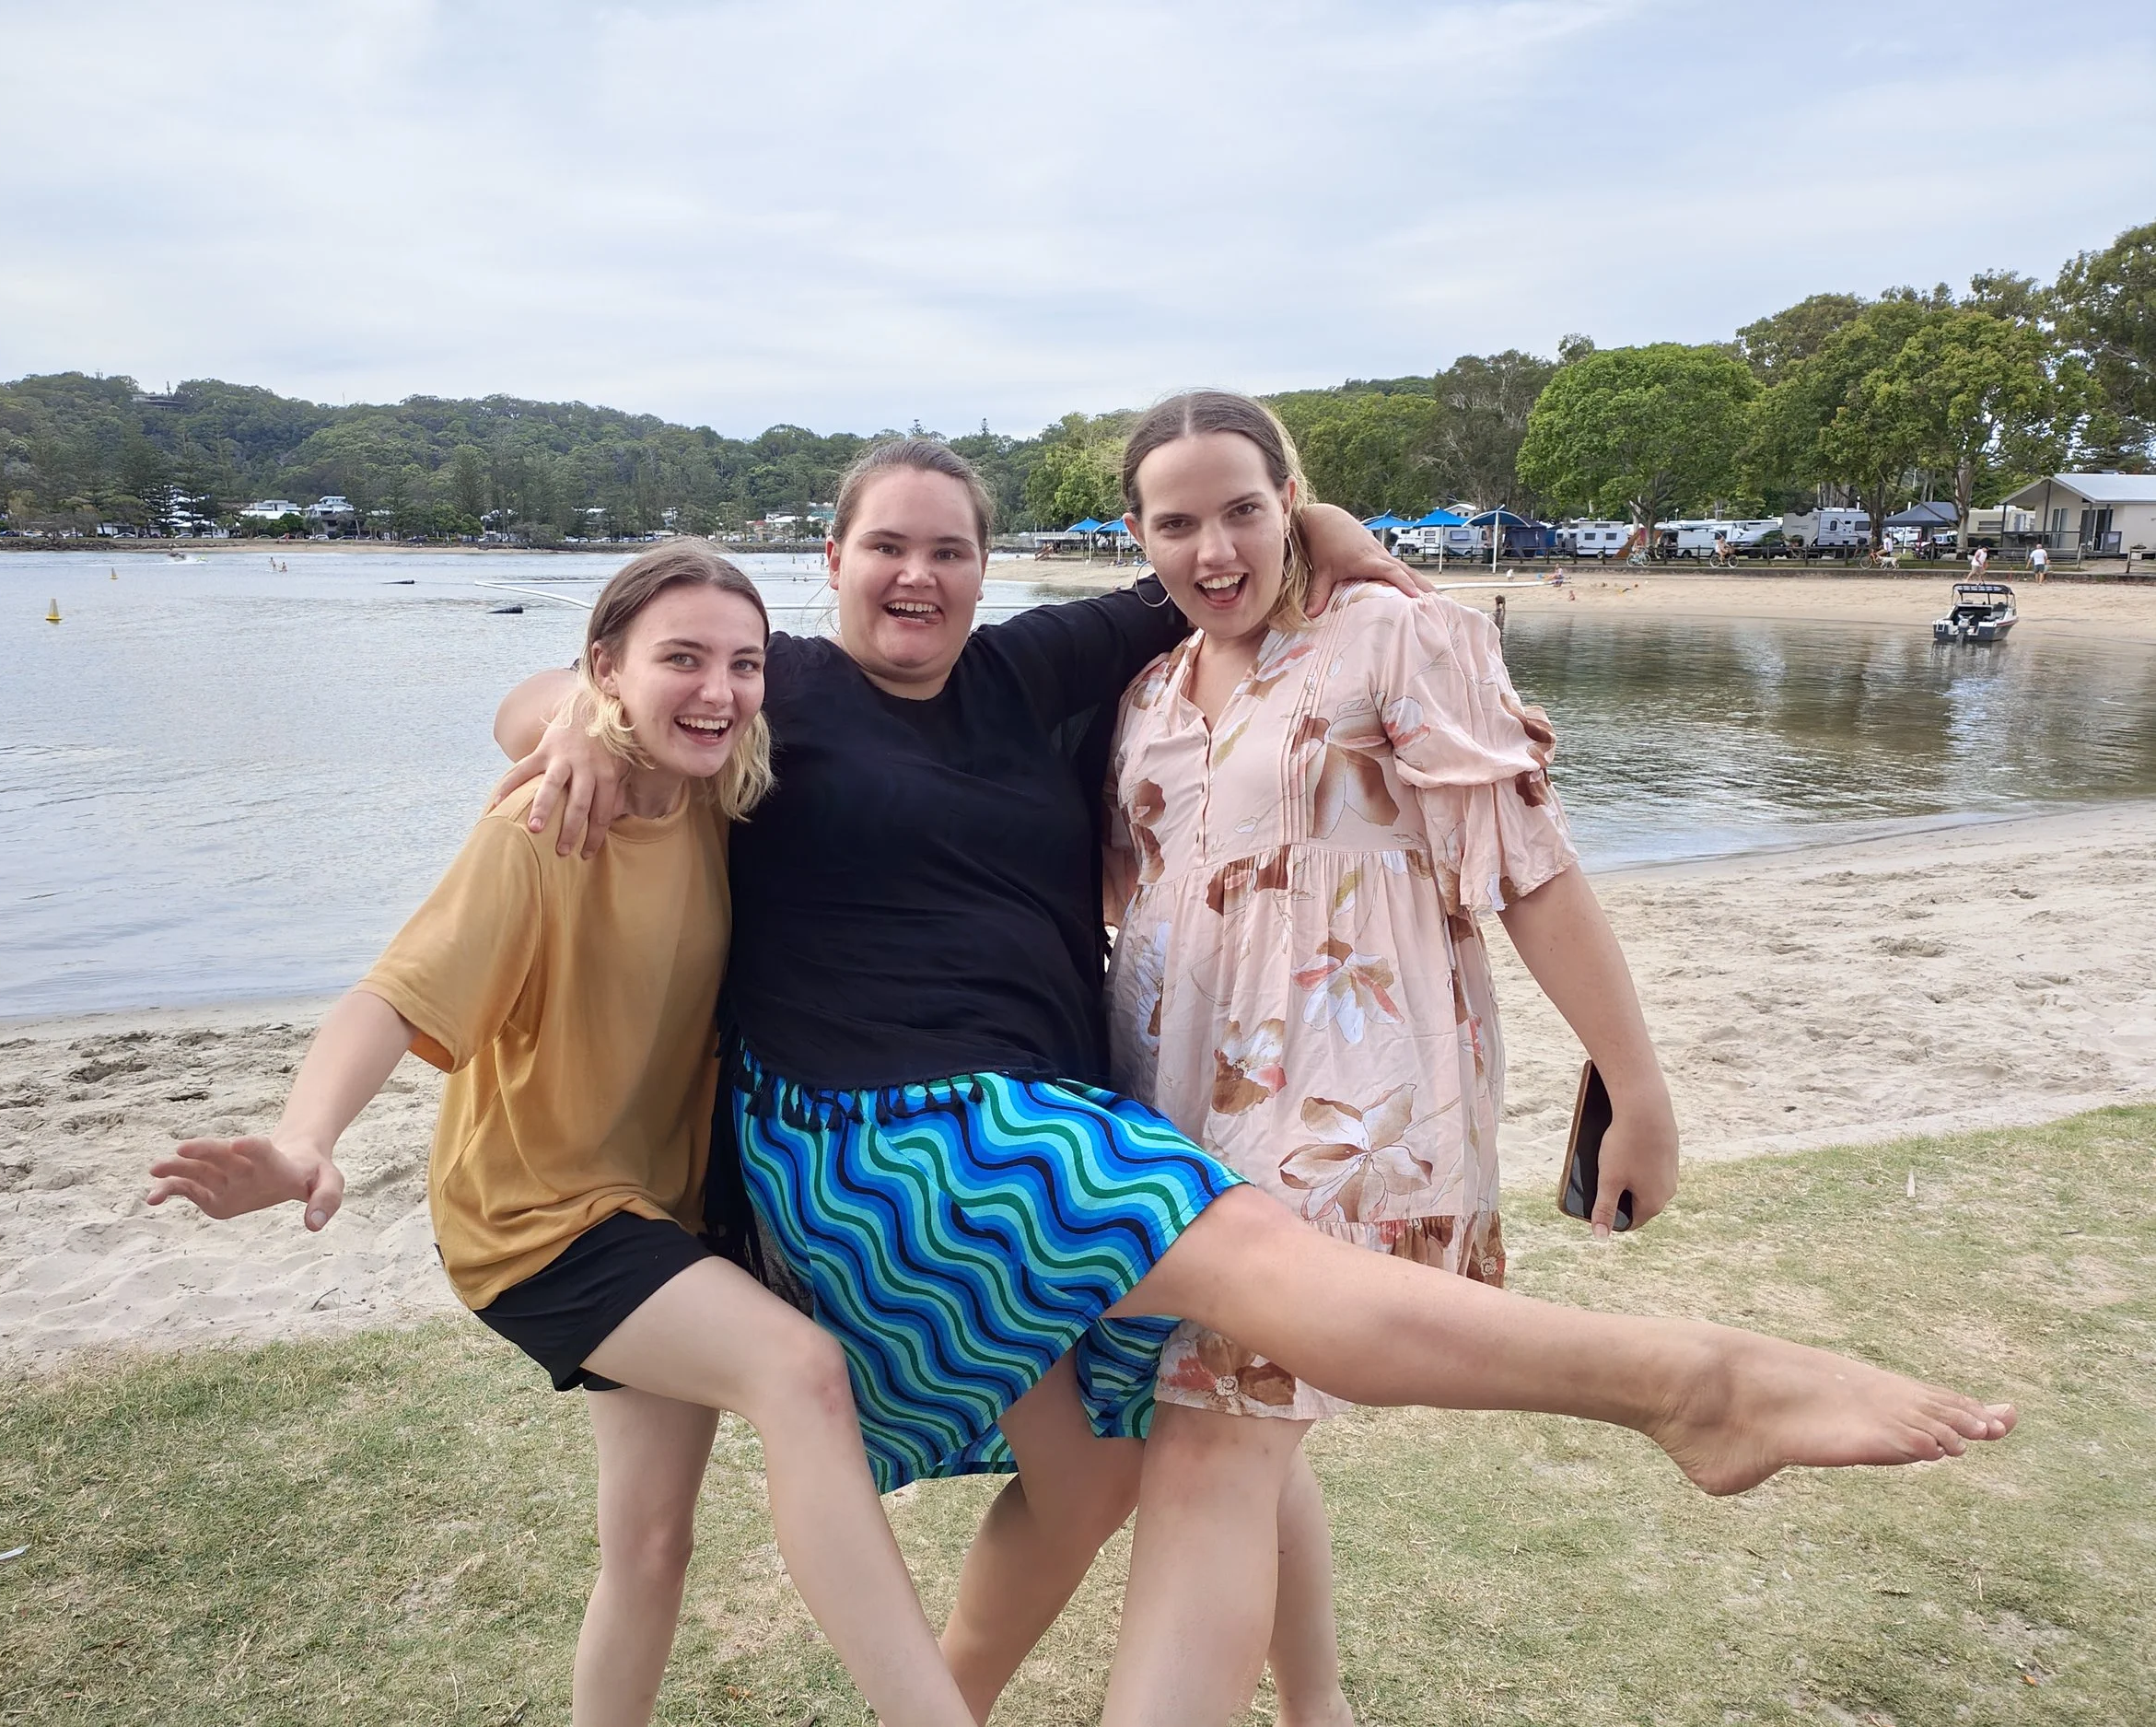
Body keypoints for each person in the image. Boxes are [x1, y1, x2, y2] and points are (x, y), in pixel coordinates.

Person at [496, 446, 2015, 1727]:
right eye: (886, 545)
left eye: (951, 549)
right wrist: (566, 721)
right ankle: (1691, 1386)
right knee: (1257, 1269)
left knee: (1109, 1472)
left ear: (985, 565)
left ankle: (1142, 1698)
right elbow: (593, 695)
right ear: (828, 559)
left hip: (1046, 1120)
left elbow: (1223, 561)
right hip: (876, 1129)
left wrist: (1354, 548)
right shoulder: (783, 693)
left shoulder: (1030, 679)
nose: (920, 576)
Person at [146, 543, 986, 1727]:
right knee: (797, 1373)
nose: (719, 689)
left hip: (664, 1218)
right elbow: (390, 995)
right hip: (537, 1219)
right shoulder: (543, 828)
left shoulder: (726, 799)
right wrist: (303, 1138)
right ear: (607, 666)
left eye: (744, 665)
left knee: (649, 1548)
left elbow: (549, 708)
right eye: (680, 659)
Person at [1100, 391, 1680, 1722]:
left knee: (1209, 1442)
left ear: (1288, 497)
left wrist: (1634, 1085)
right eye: (1176, 522)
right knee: (1243, 1423)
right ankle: (1321, 1708)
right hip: (1174, 1111)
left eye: (1244, 508)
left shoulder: (1398, 637)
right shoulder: (1143, 693)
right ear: (1139, 536)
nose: (1214, 548)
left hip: (1345, 1096)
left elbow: (1530, 871)